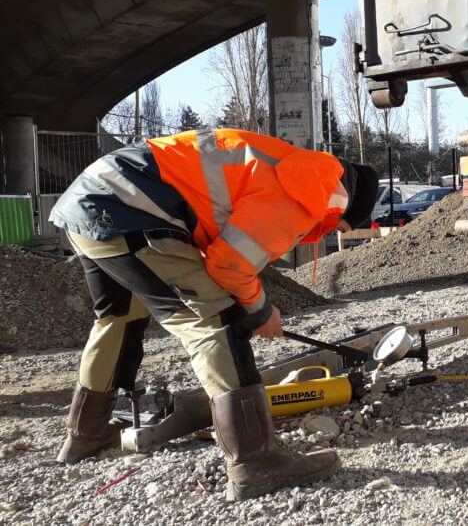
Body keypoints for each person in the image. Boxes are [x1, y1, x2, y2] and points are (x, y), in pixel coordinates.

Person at [48, 128, 378, 501]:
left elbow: (214, 247)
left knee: (118, 318)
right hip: (131, 210)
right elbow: (230, 266)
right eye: (340, 225)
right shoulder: (308, 187)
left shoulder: (279, 164)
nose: (328, 230)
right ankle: (256, 462)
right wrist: (260, 310)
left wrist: (249, 300)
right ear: (345, 203)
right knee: (216, 323)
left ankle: (85, 436)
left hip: (90, 202)